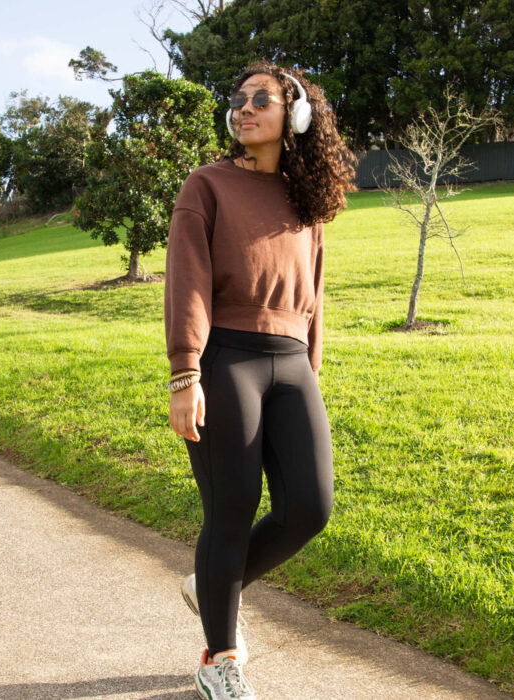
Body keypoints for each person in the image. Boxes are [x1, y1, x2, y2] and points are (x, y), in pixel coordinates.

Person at [164, 60, 356, 700]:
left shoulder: (310, 204)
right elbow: (186, 283)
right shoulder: (207, 185)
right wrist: (185, 373)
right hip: (227, 360)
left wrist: (313, 372)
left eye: (260, 100)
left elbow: (315, 296)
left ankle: (213, 582)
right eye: (238, 100)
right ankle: (220, 658)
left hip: (292, 364)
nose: (244, 109)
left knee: (310, 507)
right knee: (231, 510)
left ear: (296, 114)